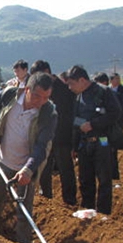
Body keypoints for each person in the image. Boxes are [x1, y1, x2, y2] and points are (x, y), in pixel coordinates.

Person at [0, 72, 57, 243]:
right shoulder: (10, 94)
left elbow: (42, 146)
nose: (40, 101)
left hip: (25, 166)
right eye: (37, 95)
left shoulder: (48, 113)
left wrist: (28, 169)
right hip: (3, 161)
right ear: (27, 89)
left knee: (23, 208)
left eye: (46, 97)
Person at [66, 65, 121, 215]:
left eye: (72, 84)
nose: (70, 88)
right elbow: (76, 122)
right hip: (85, 143)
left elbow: (115, 113)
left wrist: (93, 124)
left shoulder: (103, 92)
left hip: (102, 140)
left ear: (82, 80)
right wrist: (74, 146)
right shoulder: (78, 97)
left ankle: (103, 213)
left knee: (104, 179)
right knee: (85, 179)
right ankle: (87, 209)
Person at [33, 60, 77, 206]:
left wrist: (71, 139)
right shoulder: (40, 91)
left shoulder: (65, 90)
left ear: (47, 72)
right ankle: (46, 197)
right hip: (45, 135)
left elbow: (70, 115)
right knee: (44, 168)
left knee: (65, 169)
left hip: (62, 136)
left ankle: (69, 200)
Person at [109, 72, 123, 180]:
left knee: (115, 140)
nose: (117, 80)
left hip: (118, 120)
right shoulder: (107, 91)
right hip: (109, 122)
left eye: (118, 78)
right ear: (111, 80)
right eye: (115, 79)